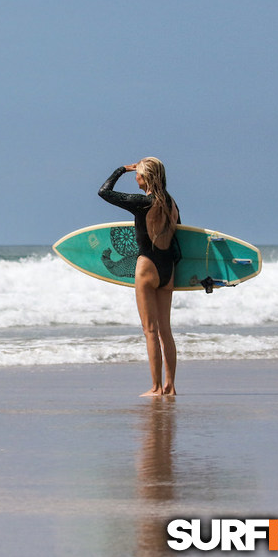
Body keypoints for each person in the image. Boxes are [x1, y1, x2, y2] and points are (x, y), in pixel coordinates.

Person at [98, 158, 181, 397]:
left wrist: (121, 169)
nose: (136, 177)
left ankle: (155, 388)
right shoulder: (171, 203)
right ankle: (170, 386)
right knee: (166, 330)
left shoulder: (143, 203)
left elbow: (104, 192)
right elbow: (180, 234)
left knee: (150, 331)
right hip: (168, 270)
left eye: (138, 174)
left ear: (146, 177)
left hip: (147, 267)